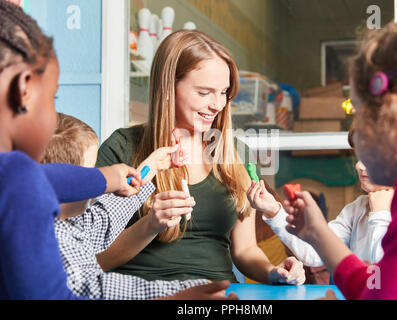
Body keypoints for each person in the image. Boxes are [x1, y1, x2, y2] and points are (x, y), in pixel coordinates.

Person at [96, 30, 305, 285]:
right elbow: (97, 258)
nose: (217, 105)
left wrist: (274, 272)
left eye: (223, 92)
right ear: (168, 87)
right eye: (204, 93)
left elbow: (245, 250)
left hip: (217, 295)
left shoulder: (236, 153)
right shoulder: (123, 148)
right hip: (142, 290)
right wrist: (149, 225)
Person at [284, 13, 397, 300]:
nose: (355, 133)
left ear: (392, 115)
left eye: (360, 114)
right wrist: (316, 233)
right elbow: (379, 285)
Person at [0, 0, 144, 300]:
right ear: (23, 91)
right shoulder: (17, 179)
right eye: (52, 97)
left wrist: (107, 178)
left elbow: (46, 179)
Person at [44, 113, 237, 300]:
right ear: (64, 180)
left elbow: (107, 216)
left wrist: (151, 166)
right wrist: (172, 294)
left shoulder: (75, 219)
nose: (99, 177)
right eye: (91, 172)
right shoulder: (52, 239)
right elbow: (94, 289)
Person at [247, 130, 394, 267]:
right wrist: (274, 210)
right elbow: (314, 253)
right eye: (360, 157)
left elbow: (387, 273)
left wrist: (380, 216)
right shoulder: (358, 208)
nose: (359, 166)